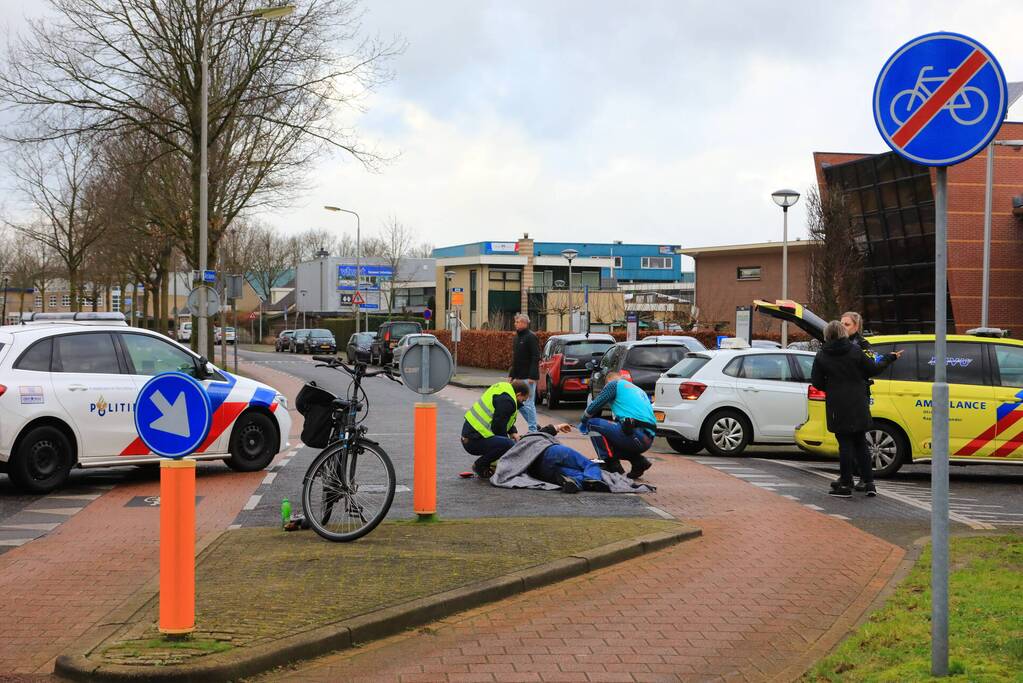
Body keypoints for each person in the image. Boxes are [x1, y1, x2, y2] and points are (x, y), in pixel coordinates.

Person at [810, 320, 900, 498]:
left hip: (837, 404)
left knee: (844, 444)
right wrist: (890, 358)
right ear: (843, 333)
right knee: (860, 442)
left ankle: (845, 483)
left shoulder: (822, 355)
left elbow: (817, 382)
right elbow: (872, 368)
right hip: (858, 401)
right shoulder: (855, 351)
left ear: (827, 335)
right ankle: (869, 483)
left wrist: (832, 386)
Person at [581, 370, 657, 479]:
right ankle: (639, 462)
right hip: (647, 439)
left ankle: (611, 464)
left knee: (592, 423)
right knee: (609, 440)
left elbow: (595, 405)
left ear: (608, 382)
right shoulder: (638, 390)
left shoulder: (614, 384)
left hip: (636, 434)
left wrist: (584, 419)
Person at [462, 379, 532, 478]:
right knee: (508, 444)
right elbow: (498, 428)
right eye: (523, 400)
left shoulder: (503, 389)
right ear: (518, 394)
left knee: (505, 443)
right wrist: (508, 451)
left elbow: (503, 417)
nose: (522, 403)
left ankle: (486, 464)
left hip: (470, 437)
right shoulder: (508, 401)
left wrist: (513, 432)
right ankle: (480, 465)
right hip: (473, 440)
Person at [509, 313, 540, 433]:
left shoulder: (531, 337)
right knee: (519, 404)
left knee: (529, 403)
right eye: (515, 322)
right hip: (519, 377)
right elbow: (515, 358)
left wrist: (533, 375)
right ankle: (534, 425)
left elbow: (535, 356)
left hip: (528, 377)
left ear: (524, 323)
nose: (515, 324)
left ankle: (532, 429)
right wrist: (511, 375)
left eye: (517, 322)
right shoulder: (516, 338)